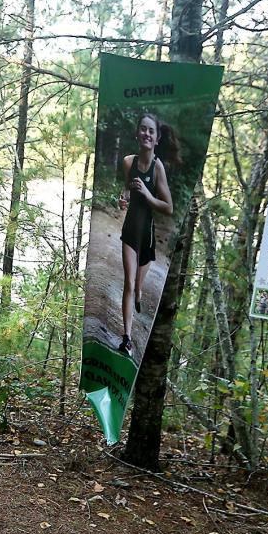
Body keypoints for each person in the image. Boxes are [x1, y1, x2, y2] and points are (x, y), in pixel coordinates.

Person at [117, 113, 179, 356]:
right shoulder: (127, 162)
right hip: (130, 230)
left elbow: (168, 207)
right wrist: (123, 199)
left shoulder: (157, 167)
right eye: (143, 129)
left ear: (157, 138)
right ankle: (127, 338)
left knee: (138, 285)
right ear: (137, 133)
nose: (146, 134)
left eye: (151, 131)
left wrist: (147, 195)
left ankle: (141, 291)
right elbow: (126, 190)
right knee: (129, 283)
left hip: (148, 234)